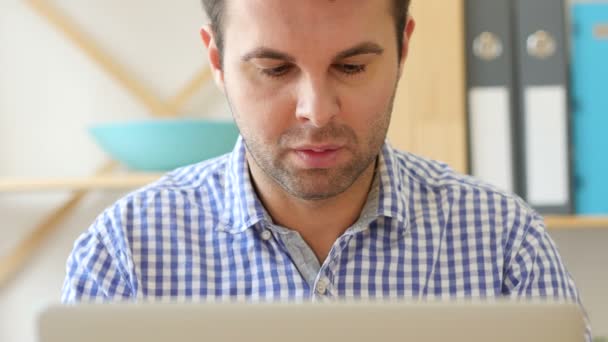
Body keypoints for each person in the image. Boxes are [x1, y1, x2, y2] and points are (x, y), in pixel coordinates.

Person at [63, 0, 591, 338]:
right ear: (217, 61)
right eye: (274, 69)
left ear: (404, 49)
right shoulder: (125, 254)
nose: (316, 110)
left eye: (352, 67)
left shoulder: (504, 242)